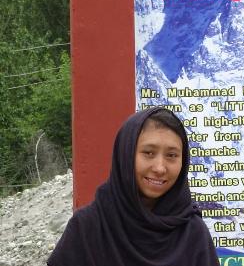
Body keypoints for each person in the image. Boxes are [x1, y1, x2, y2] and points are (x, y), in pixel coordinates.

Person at [48, 107, 219, 266]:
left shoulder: (192, 233)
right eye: (148, 153)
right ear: (126, 154)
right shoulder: (88, 229)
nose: (160, 168)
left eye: (172, 155)